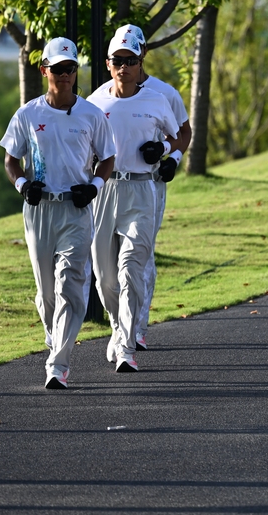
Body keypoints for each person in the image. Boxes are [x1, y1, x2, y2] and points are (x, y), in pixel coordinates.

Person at [0, 36, 116, 390]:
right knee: (47, 294)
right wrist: (23, 185)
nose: (65, 75)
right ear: (44, 70)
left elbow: (108, 158)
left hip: (77, 210)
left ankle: (58, 364)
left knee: (70, 286)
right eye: (58, 69)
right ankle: (55, 336)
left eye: (71, 69)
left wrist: (93, 186)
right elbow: (10, 159)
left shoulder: (91, 114)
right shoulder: (28, 114)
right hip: (39, 211)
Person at [88, 24, 191, 350]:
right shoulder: (98, 99)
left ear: (143, 54)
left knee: (138, 258)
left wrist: (168, 156)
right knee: (108, 270)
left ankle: (136, 329)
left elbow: (182, 133)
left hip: (151, 182)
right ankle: (123, 326)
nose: (124, 66)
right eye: (117, 59)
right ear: (109, 61)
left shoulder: (164, 94)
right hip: (108, 188)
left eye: (130, 58)